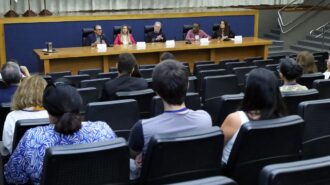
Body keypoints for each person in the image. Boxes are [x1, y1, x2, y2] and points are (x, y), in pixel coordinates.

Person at [4, 83, 116, 185]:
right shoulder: (103, 129)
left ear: (48, 111)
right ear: (79, 105)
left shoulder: (32, 138)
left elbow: (13, 177)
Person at [128, 60, 212, 179]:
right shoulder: (205, 119)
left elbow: (133, 153)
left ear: (156, 92)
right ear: (188, 85)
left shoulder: (142, 128)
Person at [221, 68, 287, 164]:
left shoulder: (235, 119)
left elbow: (214, 149)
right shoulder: (284, 119)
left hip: (232, 176)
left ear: (249, 90)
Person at [2, 75, 49, 153]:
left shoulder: (12, 117)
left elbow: (8, 146)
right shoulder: (53, 115)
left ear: (20, 92)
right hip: (49, 162)